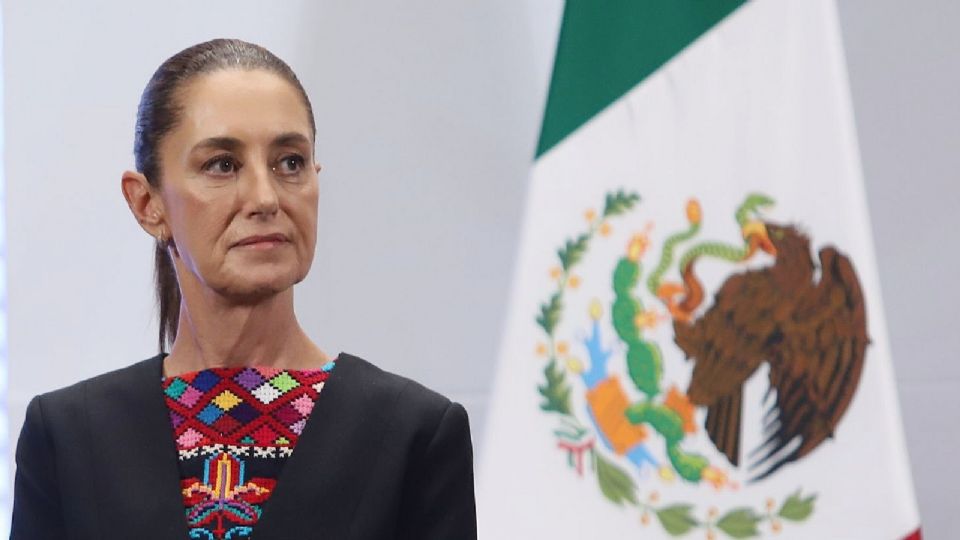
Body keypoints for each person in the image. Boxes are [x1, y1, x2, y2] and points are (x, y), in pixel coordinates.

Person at [10, 38, 477, 540]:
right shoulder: (68, 438)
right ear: (147, 203)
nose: (265, 197)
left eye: (290, 162)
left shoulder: (413, 435)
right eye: (222, 164)